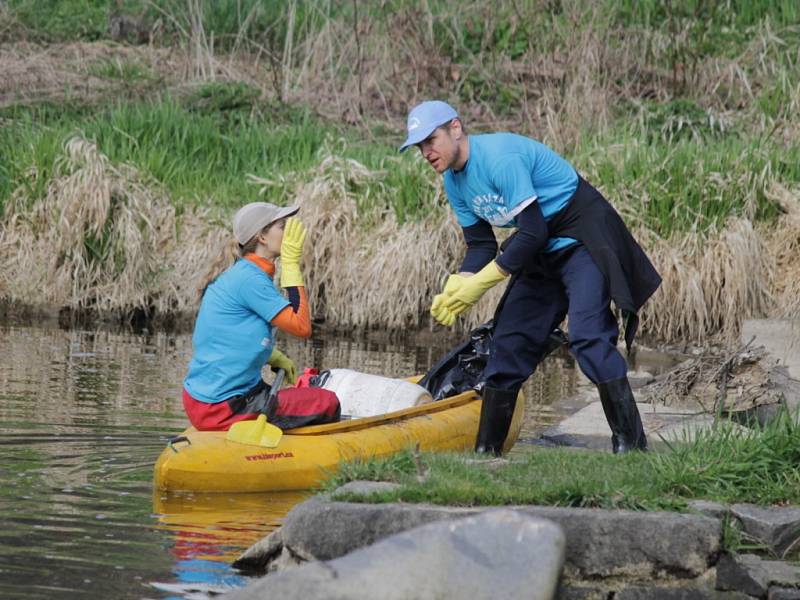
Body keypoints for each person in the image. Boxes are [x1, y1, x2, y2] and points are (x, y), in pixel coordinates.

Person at [400, 101, 661, 455]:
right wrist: (459, 282)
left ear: (456, 129)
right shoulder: (453, 182)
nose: (426, 152)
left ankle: (631, 446)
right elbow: (480, 244)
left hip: (579, 236)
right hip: (538, 248)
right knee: (508, 344)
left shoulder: (499, 158)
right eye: (419, 146)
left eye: (431, 140)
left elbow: (534, 229)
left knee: (588, 337)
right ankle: (486, 454)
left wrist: (481, 284)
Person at [182, 202, 340, 431]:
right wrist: (291, 265)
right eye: (282, 226)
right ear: (262, 238)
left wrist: (271, 355)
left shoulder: (244, 273)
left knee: (295, 397)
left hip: (205, 401)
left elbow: (227, 336)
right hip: (223, 407)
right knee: (327, 402)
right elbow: (302, 327)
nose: (289, 232)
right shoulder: (251, 280)